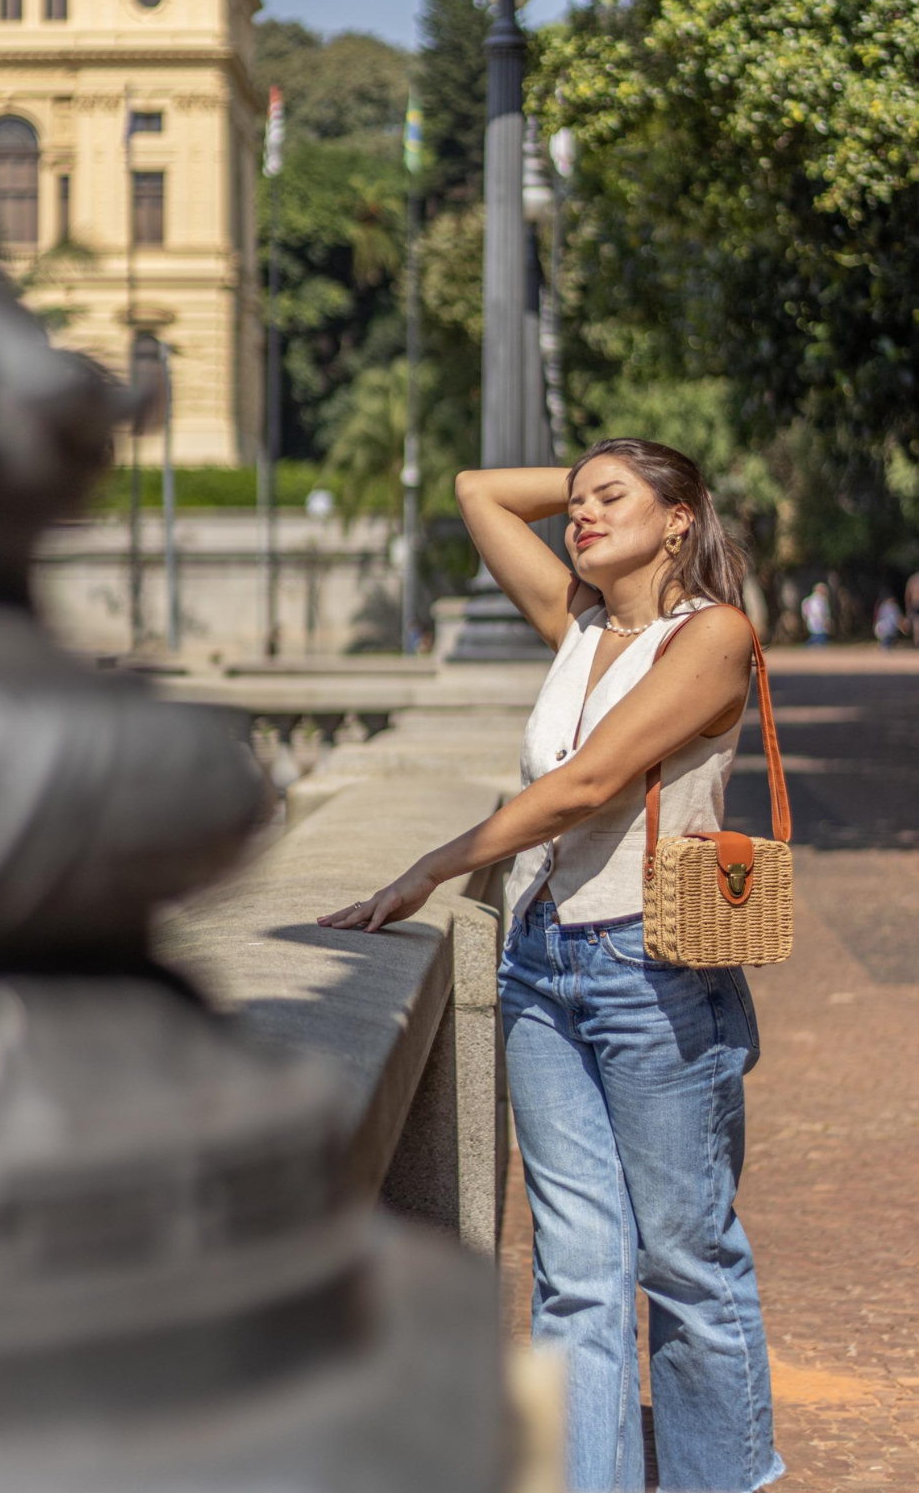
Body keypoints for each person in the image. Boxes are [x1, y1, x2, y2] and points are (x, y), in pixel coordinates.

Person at [319, 440, 784, 1493]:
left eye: (607, 500)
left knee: (683, 1259)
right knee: (573, 1277)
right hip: (539, 967)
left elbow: (587, 785)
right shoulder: (575, 625)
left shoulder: (711, 637)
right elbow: (475, 491)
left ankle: (724, 1479)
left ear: (678, 518)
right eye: (570, 503)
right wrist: (599, 468)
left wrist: (433, 865)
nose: (576, 515)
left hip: (654, 971)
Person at [801, 580, 832, 647]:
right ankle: (808, 647)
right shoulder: (818, 600)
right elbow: (819, 612)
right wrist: (825, 621)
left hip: (814, 622)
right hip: (818, 622)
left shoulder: (811, 599)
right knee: (819, 637)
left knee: (818, 636)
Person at [905, 571, 919, 649]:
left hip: (915, 603)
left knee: (917, 624)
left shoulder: (913, 579)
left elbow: (908, 594)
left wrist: (908, 607)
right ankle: (917, 643)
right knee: (917, 624)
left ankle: (917, 642)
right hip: (916, 604)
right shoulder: (913, 579)